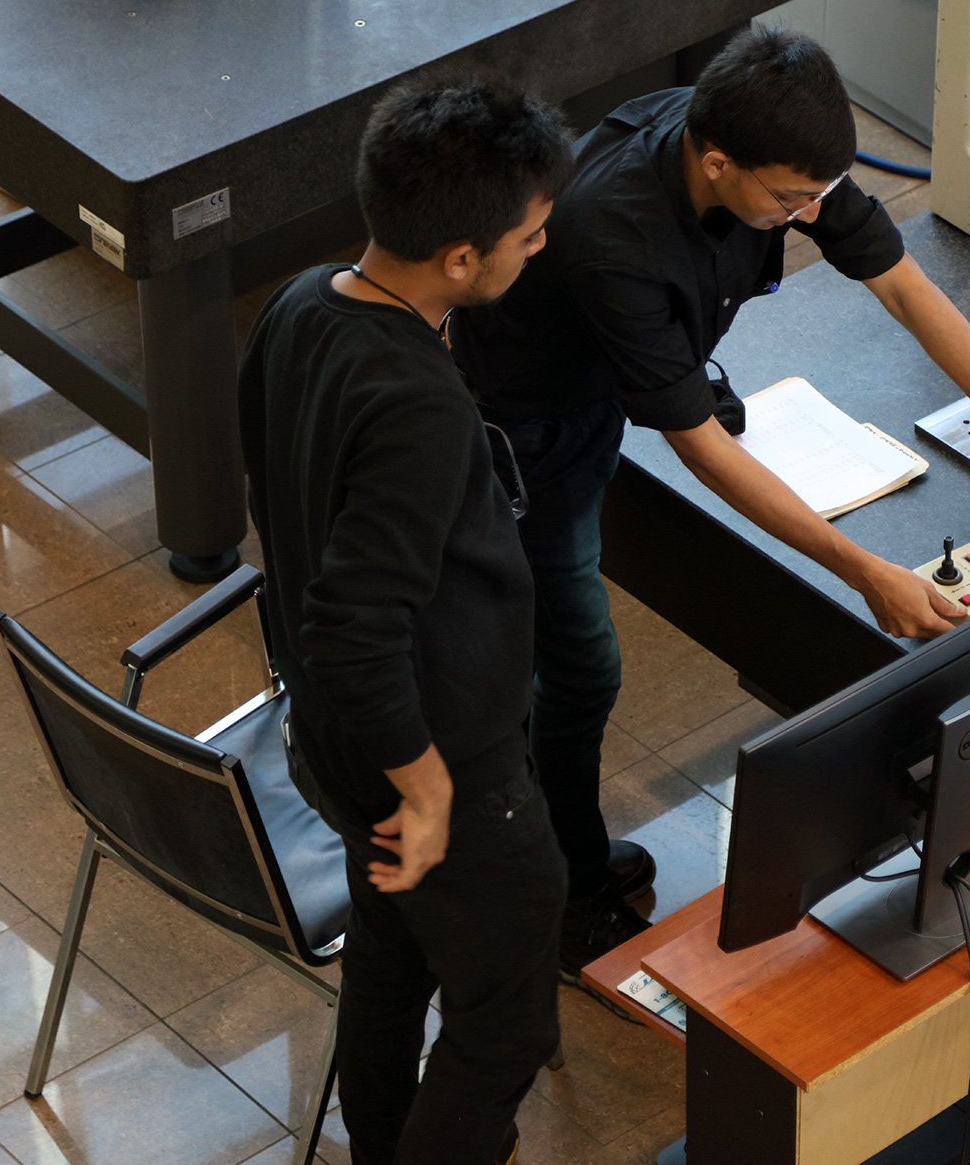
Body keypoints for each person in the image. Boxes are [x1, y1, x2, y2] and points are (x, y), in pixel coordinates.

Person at [451, 28, 970, 977]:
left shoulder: (770, 157)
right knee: (576, 665)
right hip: (523, 430)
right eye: (790, 201)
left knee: (568, 657)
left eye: (816, 196)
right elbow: (702, 449)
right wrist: (861, 569)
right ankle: (555, 883)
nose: (807, 214)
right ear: (717, 162)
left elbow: (907, 289)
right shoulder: (612, 232)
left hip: (599, 399)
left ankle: (557, 844)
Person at [239, 79, 575, 1165]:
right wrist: (430, 789)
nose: (543, 242)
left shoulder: (299, 303)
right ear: (461, 260)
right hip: (436, 758)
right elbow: (354, 617)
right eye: (528, 233)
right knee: (507, 1018)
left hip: (333, 738)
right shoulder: (420, 405)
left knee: (391, 956)